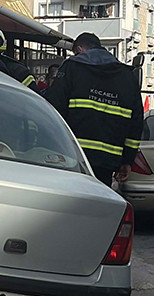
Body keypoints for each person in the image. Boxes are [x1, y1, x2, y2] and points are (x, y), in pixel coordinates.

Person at [43, 33, 143, 186]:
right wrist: (127, 161)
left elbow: (53, 107)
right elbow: (136, 124)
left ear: (80, 49)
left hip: (74, 154)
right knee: (98, 204)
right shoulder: (127, 76)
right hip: (108, 161)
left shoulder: (72, 67)